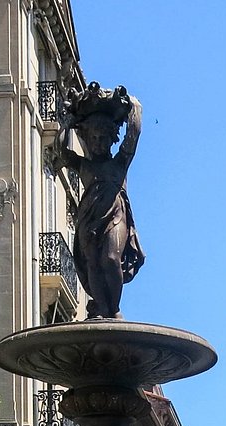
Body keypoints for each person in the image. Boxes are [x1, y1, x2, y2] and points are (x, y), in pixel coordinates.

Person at [56, 83, 145, 319]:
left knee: (111, 258)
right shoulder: (85, 165)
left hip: (115, 213)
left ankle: (113, 310)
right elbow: (62, 153)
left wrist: (135, 110)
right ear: (86, 138)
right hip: (89, 215)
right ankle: (101, 308)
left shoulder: (119, 162)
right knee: (93, 262)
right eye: (93, 138)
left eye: (102, 138)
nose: (97, 143)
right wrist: (65, 126)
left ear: (110, 139)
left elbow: (132, 137)